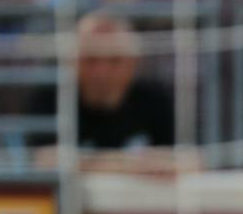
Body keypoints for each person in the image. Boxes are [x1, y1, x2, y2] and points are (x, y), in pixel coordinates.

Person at [30, 12, 188, 175]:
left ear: (134, 61)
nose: (102, 72)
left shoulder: (156, 101)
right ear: (71, 61)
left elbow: (186, 160)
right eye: (90, 59)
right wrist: (132, 165)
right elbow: (43, 161)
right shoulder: (50, 100)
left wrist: (81, 162)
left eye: (114, 59)